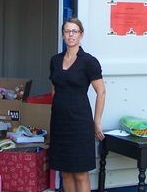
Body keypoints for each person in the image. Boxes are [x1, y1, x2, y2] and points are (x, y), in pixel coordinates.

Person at [49, 17, 106, 192]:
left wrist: (96, 122)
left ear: (81, 35)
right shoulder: (55, 60)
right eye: (67, 31)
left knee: (80, 173)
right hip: (60, 123)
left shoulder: (89, 61)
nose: (70, 35)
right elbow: (54, 89)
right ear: (63, 35)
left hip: (79, 123)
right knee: (65, 171)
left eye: (74, 31)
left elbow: (101, 92)